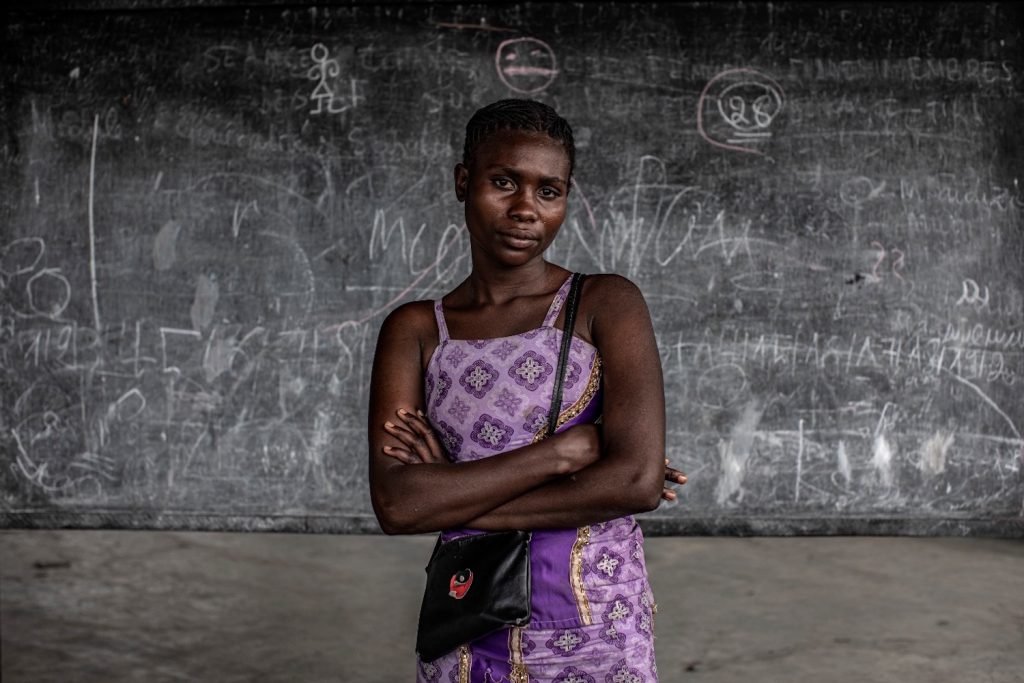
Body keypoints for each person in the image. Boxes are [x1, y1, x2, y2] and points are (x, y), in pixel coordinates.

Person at [368, 98, 686, 682]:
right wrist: (563, 455)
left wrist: (451, 497)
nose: (525, 209)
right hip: (467, 618)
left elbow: (636, 482)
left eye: (549, 191)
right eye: (504, 182)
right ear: (463, 181)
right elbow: (396, 505)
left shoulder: (604, 303)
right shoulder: (415, 330)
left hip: (595, 617)